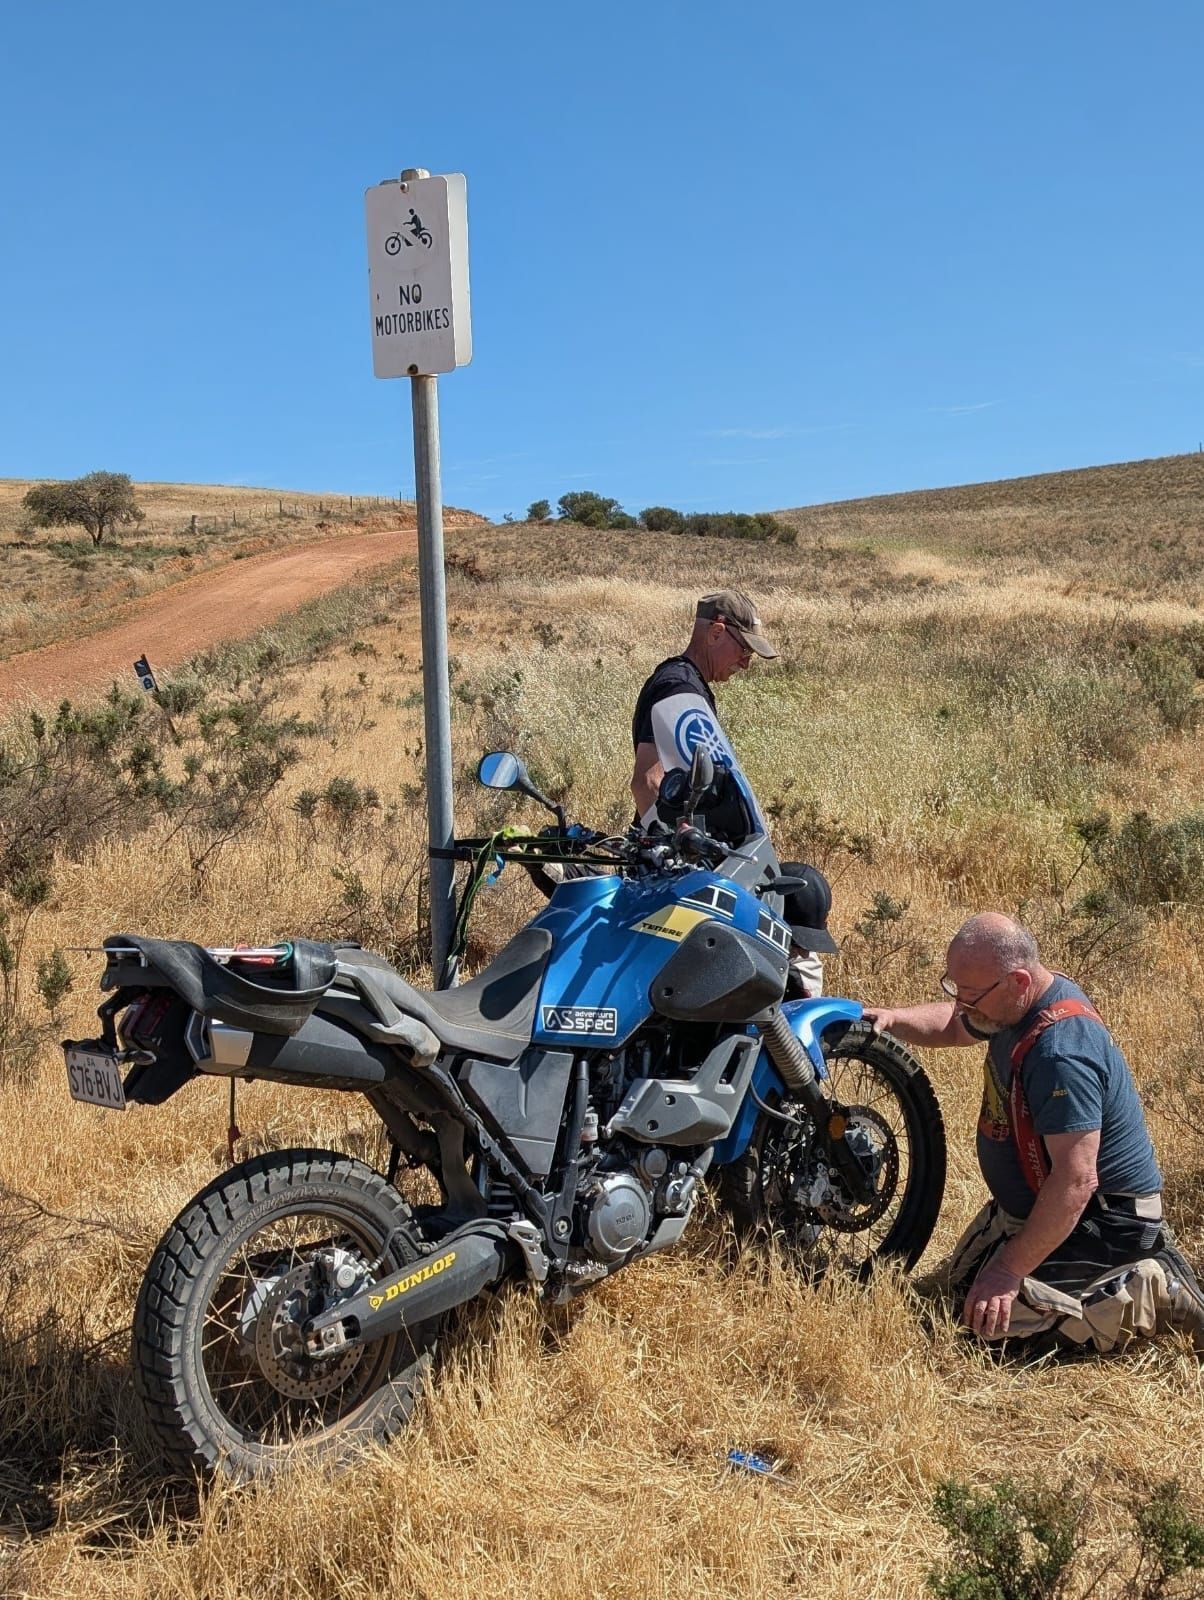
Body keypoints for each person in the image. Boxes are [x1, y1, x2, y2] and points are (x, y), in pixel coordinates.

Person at [864, 913, 1204, 1354]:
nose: (962, 1005)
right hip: (1043, 1205)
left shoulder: (1062, 1052)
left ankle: (1151, 1286)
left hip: (1106, 1219)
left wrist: (1009, 1271)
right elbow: (952, 1023)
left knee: (988, 1337)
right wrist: (892, 1019)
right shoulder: (1008, 1006)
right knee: (955, 1302)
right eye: (956, 989)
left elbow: (1076, 1180)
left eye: (971, 995)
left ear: (1019, 981)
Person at [629, 589, 834, 996]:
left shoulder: (688, 686)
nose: (747, 662)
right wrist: (670, 853)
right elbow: (647, 781)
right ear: (717, 632)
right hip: (672, 868)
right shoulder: (677, 687)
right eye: (745, 650)